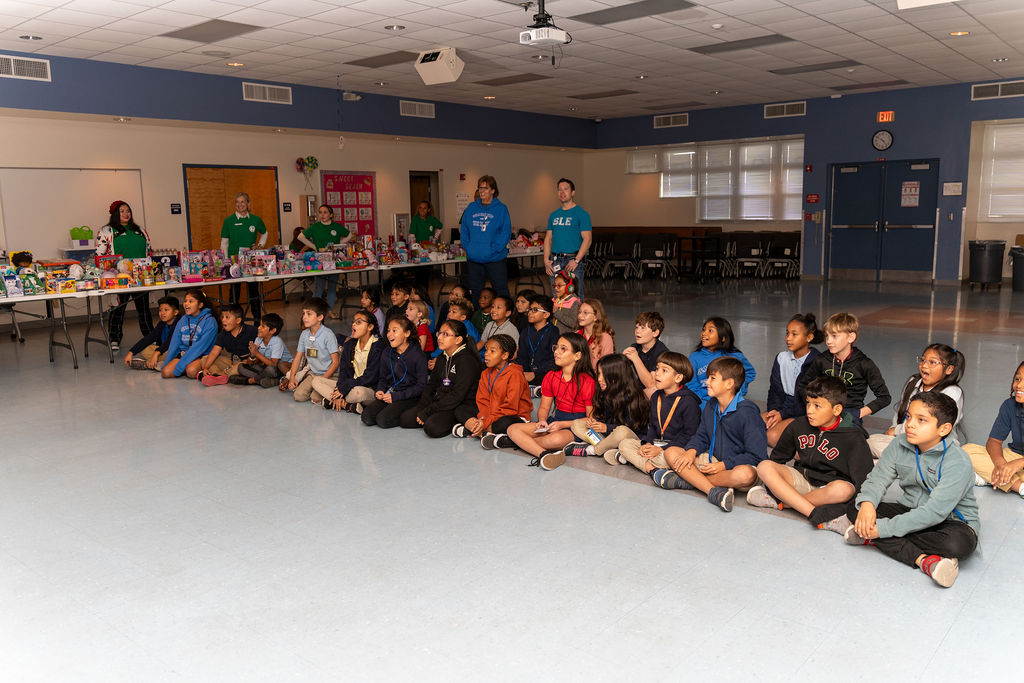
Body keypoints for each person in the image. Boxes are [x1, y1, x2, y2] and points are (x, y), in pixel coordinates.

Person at [843, 392, 979, 588]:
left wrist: (883, 529)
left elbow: (934, 513)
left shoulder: (958, 461)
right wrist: (867, 504)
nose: (909, 424)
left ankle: (872, 536)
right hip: (910, 510)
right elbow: (878, 478)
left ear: (944, 429)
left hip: (950, 522)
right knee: (856, 508)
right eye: (909, 417)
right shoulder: (899, 443)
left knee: (957, 545)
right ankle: (925, 560)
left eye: (921, 420)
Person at [750, 377, 874, 529]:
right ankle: (813, 513)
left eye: (817, 406)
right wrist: (773, 483)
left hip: (829, 490)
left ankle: (786, 503)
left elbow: (864, 482)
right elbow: (777, 459)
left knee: (845, 490)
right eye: (808, 403)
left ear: (836, 410)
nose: (809, 410)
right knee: (764, 466)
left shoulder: (853, 437)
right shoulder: (798, 425)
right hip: (802, 479)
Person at [655, 357, 767, 512]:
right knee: (672, 452)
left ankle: (691, 481)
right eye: (708, 378)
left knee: (745, 475)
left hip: (736, 467)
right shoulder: (711, 405)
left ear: (729, 384)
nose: (706, 382)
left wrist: (724, 465)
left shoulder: (747, 413)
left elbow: (757, 456)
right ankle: (712, 491)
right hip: (713, 461)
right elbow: (701, 436)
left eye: (712, 378)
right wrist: (691, 450)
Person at [487, 333, 595, 471]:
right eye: (556, 347)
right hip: (555, 421)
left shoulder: (587, 381)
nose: (556, 352)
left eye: (563, 349)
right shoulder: (551, 376)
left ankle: (511, 442)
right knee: (512, 429)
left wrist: (563, 424)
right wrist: (542, 420)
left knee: (555, 440)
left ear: (577, 355)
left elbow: (590, 419)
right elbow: (544, 408)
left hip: (576, 425)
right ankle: (543, 454)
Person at [868, 344, 965, 459]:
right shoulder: (913, 382)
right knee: (871, 441)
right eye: (923, 360)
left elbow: (934, 428)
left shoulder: (952, 392)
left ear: (949, 369)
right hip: (907, 438)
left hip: (935, 445)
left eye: (932, 362)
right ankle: (909, 461)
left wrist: (897, 430)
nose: (924, 365)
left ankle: (909, 461)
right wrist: (894, 431)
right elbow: (900, 411)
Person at [796, 312, 891, 426]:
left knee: (843, 433)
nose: (828, 341)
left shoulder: (864, 364)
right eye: (827, 336)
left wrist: (858, 413)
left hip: (849, 415)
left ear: (851, 337)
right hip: (824, 412)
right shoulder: (821, 360)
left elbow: (884, 397)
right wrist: (815, 405)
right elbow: (803, 386)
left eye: (834, 336)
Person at [615, 352, 701, 475]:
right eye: (657, 369)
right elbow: (653, 427)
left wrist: (661, 449)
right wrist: (647, 444)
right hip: (656, 445)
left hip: (674, 449)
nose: (657, 373)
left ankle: (634, 461)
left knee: (670, 458)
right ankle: (651, 468)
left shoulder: (689, 401)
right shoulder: (656, 396)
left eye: (664, 370)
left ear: (678, 378)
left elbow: (689, 435)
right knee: (625, 444)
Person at [562, 353, 653, 463]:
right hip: (608, 437)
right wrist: (595, 423)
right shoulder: (604, 393)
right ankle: (611, 450)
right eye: (599, 374)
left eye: (603, 374)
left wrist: (606, 428)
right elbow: (603, 418)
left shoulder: (634, 397)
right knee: (577, 424)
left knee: (622, 431)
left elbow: (632, 429)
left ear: (616, 375)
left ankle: (591, 450)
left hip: (629, 440)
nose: (599, 379)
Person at [401, 320, 482, 438]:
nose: (439, 337)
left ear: (458, 340)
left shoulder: (467, 360)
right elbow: (432, 385)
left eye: (446, 334)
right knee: (405, 420)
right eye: (439, 333)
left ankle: (460, 423)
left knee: (432, 427)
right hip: (442, 401)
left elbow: (458, 395)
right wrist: (423, 406)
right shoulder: (442, 357)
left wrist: (429, 411)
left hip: (460, 405)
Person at [96, 200, 153, 352]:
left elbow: (149, 250)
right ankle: (114, 338)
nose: (126, 214)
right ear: (115, 214)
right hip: (118, 277)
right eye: (122, 211)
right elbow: (100, 256)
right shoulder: (106, 231)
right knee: (118, 309)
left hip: (140, 276)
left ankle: (150, 337)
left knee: (144, 309)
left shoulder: (140, 230)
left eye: (128, 210)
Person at [452, 335, 532, 440]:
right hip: (491, 415)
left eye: (492, 351)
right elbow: (482, 401)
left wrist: (484, 422)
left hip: (513, 416)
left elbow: (510, 408)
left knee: (504, 423)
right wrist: (483, 419)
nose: (486, 354)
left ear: (505, 355)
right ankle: (482, 430)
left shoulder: (515, 374)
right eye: (486, 350)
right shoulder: (485, 373)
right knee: (460, 409)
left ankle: (473, 430)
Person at [762, 313, 823, 447]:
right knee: (755, 424)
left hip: (805, 411)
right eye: (787, 333)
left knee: (771, 437)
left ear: (809, 337)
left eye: (794, 334)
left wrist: (782, 415)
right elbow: (775, 390)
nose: (788, 338)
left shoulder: (817, 362)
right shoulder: (781, 358)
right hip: (784, 406)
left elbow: (810, 402)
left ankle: (805, 443)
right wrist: (774, 410)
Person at [964, 360, 1024, 496]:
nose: (1019, 385)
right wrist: (1000, 464)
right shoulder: (1009, 406)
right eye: (1018, 379)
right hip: (1013, 455)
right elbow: (994, 441)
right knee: (966, 452)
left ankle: (990, 478)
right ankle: (1019, 486)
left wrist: (1019, 463)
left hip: (1019, 462)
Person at [361, 317, 428, 429]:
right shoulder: (387, 352)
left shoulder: (418, 355)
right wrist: (380, 390)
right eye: (388, 331)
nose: (389, 334)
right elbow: (383, 378)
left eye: (394, 330)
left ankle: (406, 414)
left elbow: (421, 386)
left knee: (383, 420)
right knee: (367, 417)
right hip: (390, 394)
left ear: (407, 333)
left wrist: (397, 396)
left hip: (410, 396)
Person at [316, 310, 384, 413]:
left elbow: (370, 377)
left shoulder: (379, 347)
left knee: (359, 393)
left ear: (370, 327)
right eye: (353, 322)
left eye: (358, 322)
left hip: (368, 388)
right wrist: (341, 388)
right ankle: (346, 404)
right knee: (317, 381)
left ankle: (333, 401)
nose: (353, 325)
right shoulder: (349, 345)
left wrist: (344, 388)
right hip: (351, 385)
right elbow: (343, 371)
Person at [460, 175, 511, 306]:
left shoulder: (501, 209)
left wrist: (494, 249)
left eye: (485, 188)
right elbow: (464, 228)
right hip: (474, 259)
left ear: (493, 190)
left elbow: (505, 232)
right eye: (480, 188)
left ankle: (506, 316)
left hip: (495, 259)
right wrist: (468, 247)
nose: (481, 191)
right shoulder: (471, 207)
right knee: (475, 292)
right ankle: (477, 316)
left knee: (500, 290)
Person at [687, 316, 757, 408]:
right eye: (703, 330)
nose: (704, 333)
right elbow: (691, 383)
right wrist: (702, 397)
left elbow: (749, 373)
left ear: (723, 338)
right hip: (704, 402)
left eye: (710, 330)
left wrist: (738, 391)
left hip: (729, 400)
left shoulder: (735, 355)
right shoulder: (695, 357)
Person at [297, 204, 350, 318]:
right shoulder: (315, 227)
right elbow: (300, 237)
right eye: (320, 212)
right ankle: (313, 313)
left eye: (325, 212)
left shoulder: (336, 226)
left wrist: (339, 244)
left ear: (331, 215)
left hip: (333, 260)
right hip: (319, 261)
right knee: (319, 289)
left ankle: (330, 311)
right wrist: (314, 247)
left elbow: (350, 235)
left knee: (332, 288)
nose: (322, 215)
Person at [221, 192, 267, 320]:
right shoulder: (228, 221)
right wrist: (226, 261)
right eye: (237, 202)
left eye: (242, 201)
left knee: (254, 291)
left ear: (248, 203)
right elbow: (224, 243)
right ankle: (232, 320)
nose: (240, 204)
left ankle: (257, 321)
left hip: (251, 261)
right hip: (234, 261)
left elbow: (265, 233)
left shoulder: (255, 220)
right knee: (234, 291)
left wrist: (260, 245)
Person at [543, 178, 592, 298]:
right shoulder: (553, 215)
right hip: (555, 260)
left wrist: (576, 260)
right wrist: (546, 260)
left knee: (574, 296)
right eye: (559, 190)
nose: (562, 192)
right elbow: (548, 239)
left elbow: (588, 239)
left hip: (572, 261)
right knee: (557, 296)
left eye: (565, 189)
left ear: (573, 192)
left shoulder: (581, 214)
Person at [286, 297, 340, 404]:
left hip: (330, 375)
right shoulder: (304, 334)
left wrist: (321, 380)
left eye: (309, 314)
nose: (304, 317)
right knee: (298, 396)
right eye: (303, 313)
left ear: (320, 317)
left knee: (315, 398)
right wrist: (292, 378)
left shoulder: (328, 335)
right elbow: (297, 357)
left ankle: (334, 395)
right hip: (313, 374)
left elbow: (335, 362)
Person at [160, 289, 218, 380]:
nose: (186, 304)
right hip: (184, 353)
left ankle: (198, 370)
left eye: (191, 301)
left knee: (191, 371)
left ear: (200, 305)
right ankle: (187, 367)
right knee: (166, 372)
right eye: (185, 301)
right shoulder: (183, 319)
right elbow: (174, 343)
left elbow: (199, 347)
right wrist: (167, 363)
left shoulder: (209, 321)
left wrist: (179, 367)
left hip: (201, 355)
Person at [197, 303, 258, 386]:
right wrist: (205, 368)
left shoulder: (251, 331)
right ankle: (220, 376)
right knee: (205, 359)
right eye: (222, 317)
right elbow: (214, 352)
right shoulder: (223, 334)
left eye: (227, 317)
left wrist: (249, 359)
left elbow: (261, 351)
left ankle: (218, 375)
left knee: (239, 368)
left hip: (247, 363)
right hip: (231, 363)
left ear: (238, 320)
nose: (223, 320)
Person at [233, 313, 293, 387]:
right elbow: (254, 362)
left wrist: (257, 353)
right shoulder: (258, 339)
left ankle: (251, 381)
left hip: (281, 369)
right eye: (260, 325)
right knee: (241, 367)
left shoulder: (277, 341)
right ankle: (269, 380)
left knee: (271, 370)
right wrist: (252, 355)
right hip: (267, 368)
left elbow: (273, 364)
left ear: (272, 330)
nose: (259, 328)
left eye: (263, 326)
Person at [123, 296, 180, 371]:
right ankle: (160, 363)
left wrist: (156, 353)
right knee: (144, 349)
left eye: (166, 310)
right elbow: (149, 338)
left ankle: (147, 364)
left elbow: (170, 341)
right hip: (163, 351)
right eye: (160, 310)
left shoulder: (180, 323)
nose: (162, 313)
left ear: (175, 312)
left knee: (172, 353)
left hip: (176, 351)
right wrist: (131, 352)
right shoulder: (162, 324)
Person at [515, 294, 559, 391]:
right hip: (527, 373)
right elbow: (521, 355)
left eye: (535, 310)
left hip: (545, 373)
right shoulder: (525, 331)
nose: (530, 313)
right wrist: (524, 372)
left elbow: (554, 359)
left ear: (546, 315)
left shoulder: (553, 332)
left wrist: (535, 373)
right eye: (530, 309)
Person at [623, 311, 669, 395]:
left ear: (655, 333)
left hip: (658, 393)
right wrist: (622, 359)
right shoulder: (635, 347)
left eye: (643, 328)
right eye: (637, 327)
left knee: (652, 391)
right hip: (640, 390)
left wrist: (635, 359)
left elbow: (651, 384)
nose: (637, 331)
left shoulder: (662, 353)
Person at [577, 298, 614, 371]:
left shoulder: (605, 338)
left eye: (585, 313)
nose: (580, 315)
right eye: (579, 312)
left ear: (596, 317)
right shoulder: (575, 335)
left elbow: (607, 368)